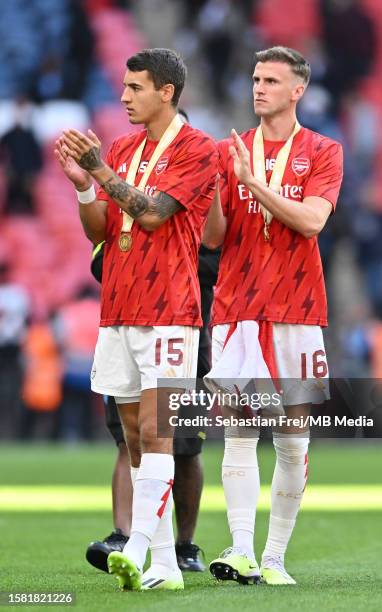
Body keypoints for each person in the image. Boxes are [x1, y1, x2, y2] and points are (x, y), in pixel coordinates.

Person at [55, 48, 218, 592]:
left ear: (166, 91)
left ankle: (141, 547)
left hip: (171, 309)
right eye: (123, 87)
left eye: (134, 87)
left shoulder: (198, 149)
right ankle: (167, 567)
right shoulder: (122, 148)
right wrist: (84, 183)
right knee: (132, 437)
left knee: (157, 429)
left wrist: (100, 168)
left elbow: (151, 214)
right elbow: (101, 229)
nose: (123, 97)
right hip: (118, 307)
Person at [203, 46, 343, 585]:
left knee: (291, 438)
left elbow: (310, 222)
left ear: (297, 90)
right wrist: (219, 189)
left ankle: (275, 557)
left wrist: (253, 182)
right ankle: (240, 549)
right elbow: (214, 238)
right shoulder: (226, 152)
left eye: (270, 80)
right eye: (255, 78)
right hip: (238, 307)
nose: (258, 88)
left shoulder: (323, 150)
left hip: (298, 308)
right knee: (239, 433)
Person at [85, 236, 219, 573]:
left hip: (185, 335)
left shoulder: (192, 206)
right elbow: (100, 261)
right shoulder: (126, 205)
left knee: (185, 446)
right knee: (129, 439)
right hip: (128, 331)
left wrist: (158, 260)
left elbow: (216, 265)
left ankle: (184, 545)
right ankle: (123, 535)